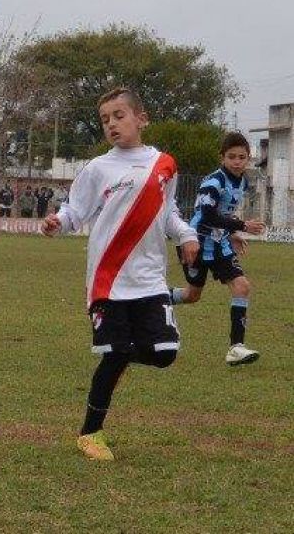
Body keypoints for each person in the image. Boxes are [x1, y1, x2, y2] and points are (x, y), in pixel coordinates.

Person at [42, 87, 198, 461]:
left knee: (164, 353)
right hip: (108, 280)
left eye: (119, 115)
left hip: (149, 279)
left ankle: (123, 353)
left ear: (141, 119)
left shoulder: (165, 165)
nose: (112, 124)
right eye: (105, 119)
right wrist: (56, 222)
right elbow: (74, 211)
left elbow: (169, 213)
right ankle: (90, 434)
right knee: (114, 354)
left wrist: (188, 234)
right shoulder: (98, 168)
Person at [168, 132, 266, 365]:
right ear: (222, 158)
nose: (237, 161)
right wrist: (242, 226)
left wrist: (231, 234)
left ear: (248, 158)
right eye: (231, 156)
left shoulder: (242, 181)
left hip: (220, 244)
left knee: (242, 286)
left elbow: (223, 214)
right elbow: (208, 215)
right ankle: (154, 299)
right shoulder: (213, 182)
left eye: (242, 157)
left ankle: (236, 348)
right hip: (196, 243)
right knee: (192, 295)